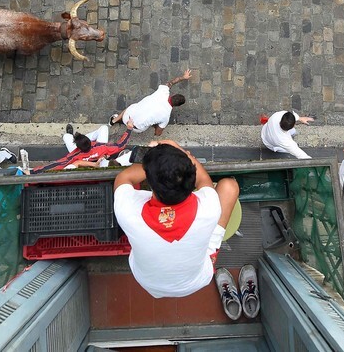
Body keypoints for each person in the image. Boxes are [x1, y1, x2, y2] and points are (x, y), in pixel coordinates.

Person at [112, 141, 239, 298]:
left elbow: (124, 177)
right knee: (230, 186)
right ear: (191, 179)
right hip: (197, 280)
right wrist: (176, 153)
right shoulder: (209, 206)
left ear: (149, 181)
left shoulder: (127, 210)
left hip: (148, 282)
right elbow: (203, 179)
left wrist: (157, 163)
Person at [111, 69, 193, 136]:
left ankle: (114, 121)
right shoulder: (166, 117)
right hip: (135, 128)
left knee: (130, 108)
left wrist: (183, 77)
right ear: (177, 106)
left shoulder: (163, 91)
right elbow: (158, 133)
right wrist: (155, 125)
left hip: (127, 117)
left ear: (172, 95)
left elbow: (171, 82)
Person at [28, 124, 135, 172]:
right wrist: (129, 129)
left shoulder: (74, 156)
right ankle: (84, 137)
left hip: (87, 158)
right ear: (91, 143)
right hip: (99, 157)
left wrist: (33, 172)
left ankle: (72, 135)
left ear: (77, 147)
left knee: (66, 136)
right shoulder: (102, 147)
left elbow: (57, 164)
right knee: (103, 128)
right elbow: (121, 145)